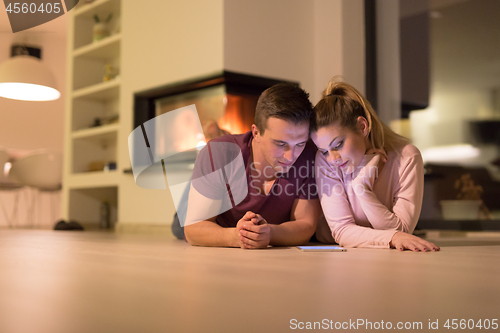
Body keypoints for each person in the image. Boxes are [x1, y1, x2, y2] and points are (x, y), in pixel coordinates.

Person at [184, 83, 321, 249]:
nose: (290, 156)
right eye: (280, 143)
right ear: (256, 133)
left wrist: (269, 233)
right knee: (180, 223)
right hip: (216, 218)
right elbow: (193, 228)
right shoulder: (218, 152)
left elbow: (306, 225)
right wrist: (235, 236)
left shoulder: (309, 155)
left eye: (300, 144)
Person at [311, 78, 440, 252]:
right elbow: (342, 231)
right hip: (334, 254)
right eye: (324, 150)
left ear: (363, 126)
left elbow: (403, 230)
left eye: (338, 145)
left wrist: (361, 187)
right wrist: (392, 237)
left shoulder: (407, 157)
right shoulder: (325, 162)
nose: (332, 158)